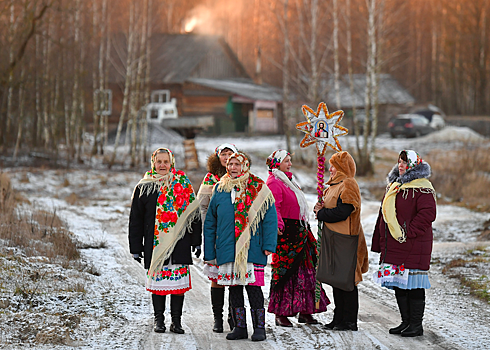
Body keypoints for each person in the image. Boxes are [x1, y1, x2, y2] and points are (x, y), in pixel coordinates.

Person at [203, 152, 278, 342]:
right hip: (227, 248)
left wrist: (269, 244)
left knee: (253, 289)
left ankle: (260, 328)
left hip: (252, 248)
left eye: (237, 164)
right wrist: (210, 251)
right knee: (234, 289)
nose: (233, 168)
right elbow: (211, 221)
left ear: (245, 165)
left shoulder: (258, 187)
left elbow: (270, 219)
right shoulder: (220, 188)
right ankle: (240, 327)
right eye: (230, 164)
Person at [129, 148, 202, 334]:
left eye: (166, 162)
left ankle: (176, 321)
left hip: (179, 243)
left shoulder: (183, 184)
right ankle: (159, 320)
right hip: (155, 245)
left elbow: (193, 215)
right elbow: (136, 219)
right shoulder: (144, 186)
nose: (162, 165)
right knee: (159, 285)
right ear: (153, 163)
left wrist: (196, 240)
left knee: (177, 287)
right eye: (159, 162)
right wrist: (136, 247)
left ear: (172, 163)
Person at [371, 150, 436, 337]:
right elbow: (383, 216)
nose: (401, 165)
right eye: (399, 162)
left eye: (405, 163)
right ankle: (406, 322)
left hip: (413, 243)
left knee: (414, 285)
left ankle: (416, 325)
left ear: (414, 165)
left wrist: (408, 233)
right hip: (395, 243)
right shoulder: (394, 186)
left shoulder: (422, 187)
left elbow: (427, 214)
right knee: (400, 284)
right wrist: (380, 241)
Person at [265, 149, 330, 327]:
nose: (290, 164)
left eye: (289, 160)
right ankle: (281, 313)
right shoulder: (274, 182)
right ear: (278, 163)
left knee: (306, 271)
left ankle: (305, 310)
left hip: (301, 231)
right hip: (287, 233)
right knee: (286, 273)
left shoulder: (288, 181)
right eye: (287, 161)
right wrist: (278, 226)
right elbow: (274, 207)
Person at [313, 151, 369, 331]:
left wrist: (322, 214)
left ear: (343, 168)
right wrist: (318, 209)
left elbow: (344, 211)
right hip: (333, 238)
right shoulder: (333, 186)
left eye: (334, 166)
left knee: (347, 281)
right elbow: (328, 208)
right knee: (337, 280)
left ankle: (349, 320)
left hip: (347, 239)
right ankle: (338, 318)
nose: (330, 169)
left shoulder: (348, 184)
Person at [197, 143, 238, 333]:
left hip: (236, 236)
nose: (227, 156)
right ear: (218, 157)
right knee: (217, 278)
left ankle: (233, 316)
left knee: (234, 277)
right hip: (216, 235)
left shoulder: (240, 177)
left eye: (231, 153)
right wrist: (210, 228)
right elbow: (202, 206)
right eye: (224, 153)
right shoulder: (210, 179)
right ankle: (218, 318)